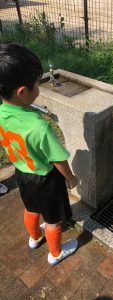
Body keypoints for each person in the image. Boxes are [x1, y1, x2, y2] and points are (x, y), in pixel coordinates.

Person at [0, 42, 79, 265]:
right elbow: (58, 160)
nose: (39, 88)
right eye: (37, 84)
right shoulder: (39, 127)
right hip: (45, 179)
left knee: (31, 209)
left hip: (22, 174)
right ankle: (55, 253)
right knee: (53, 220)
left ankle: (35, 238)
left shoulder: (1, 112)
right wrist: (71, 179)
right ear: (22, 92)